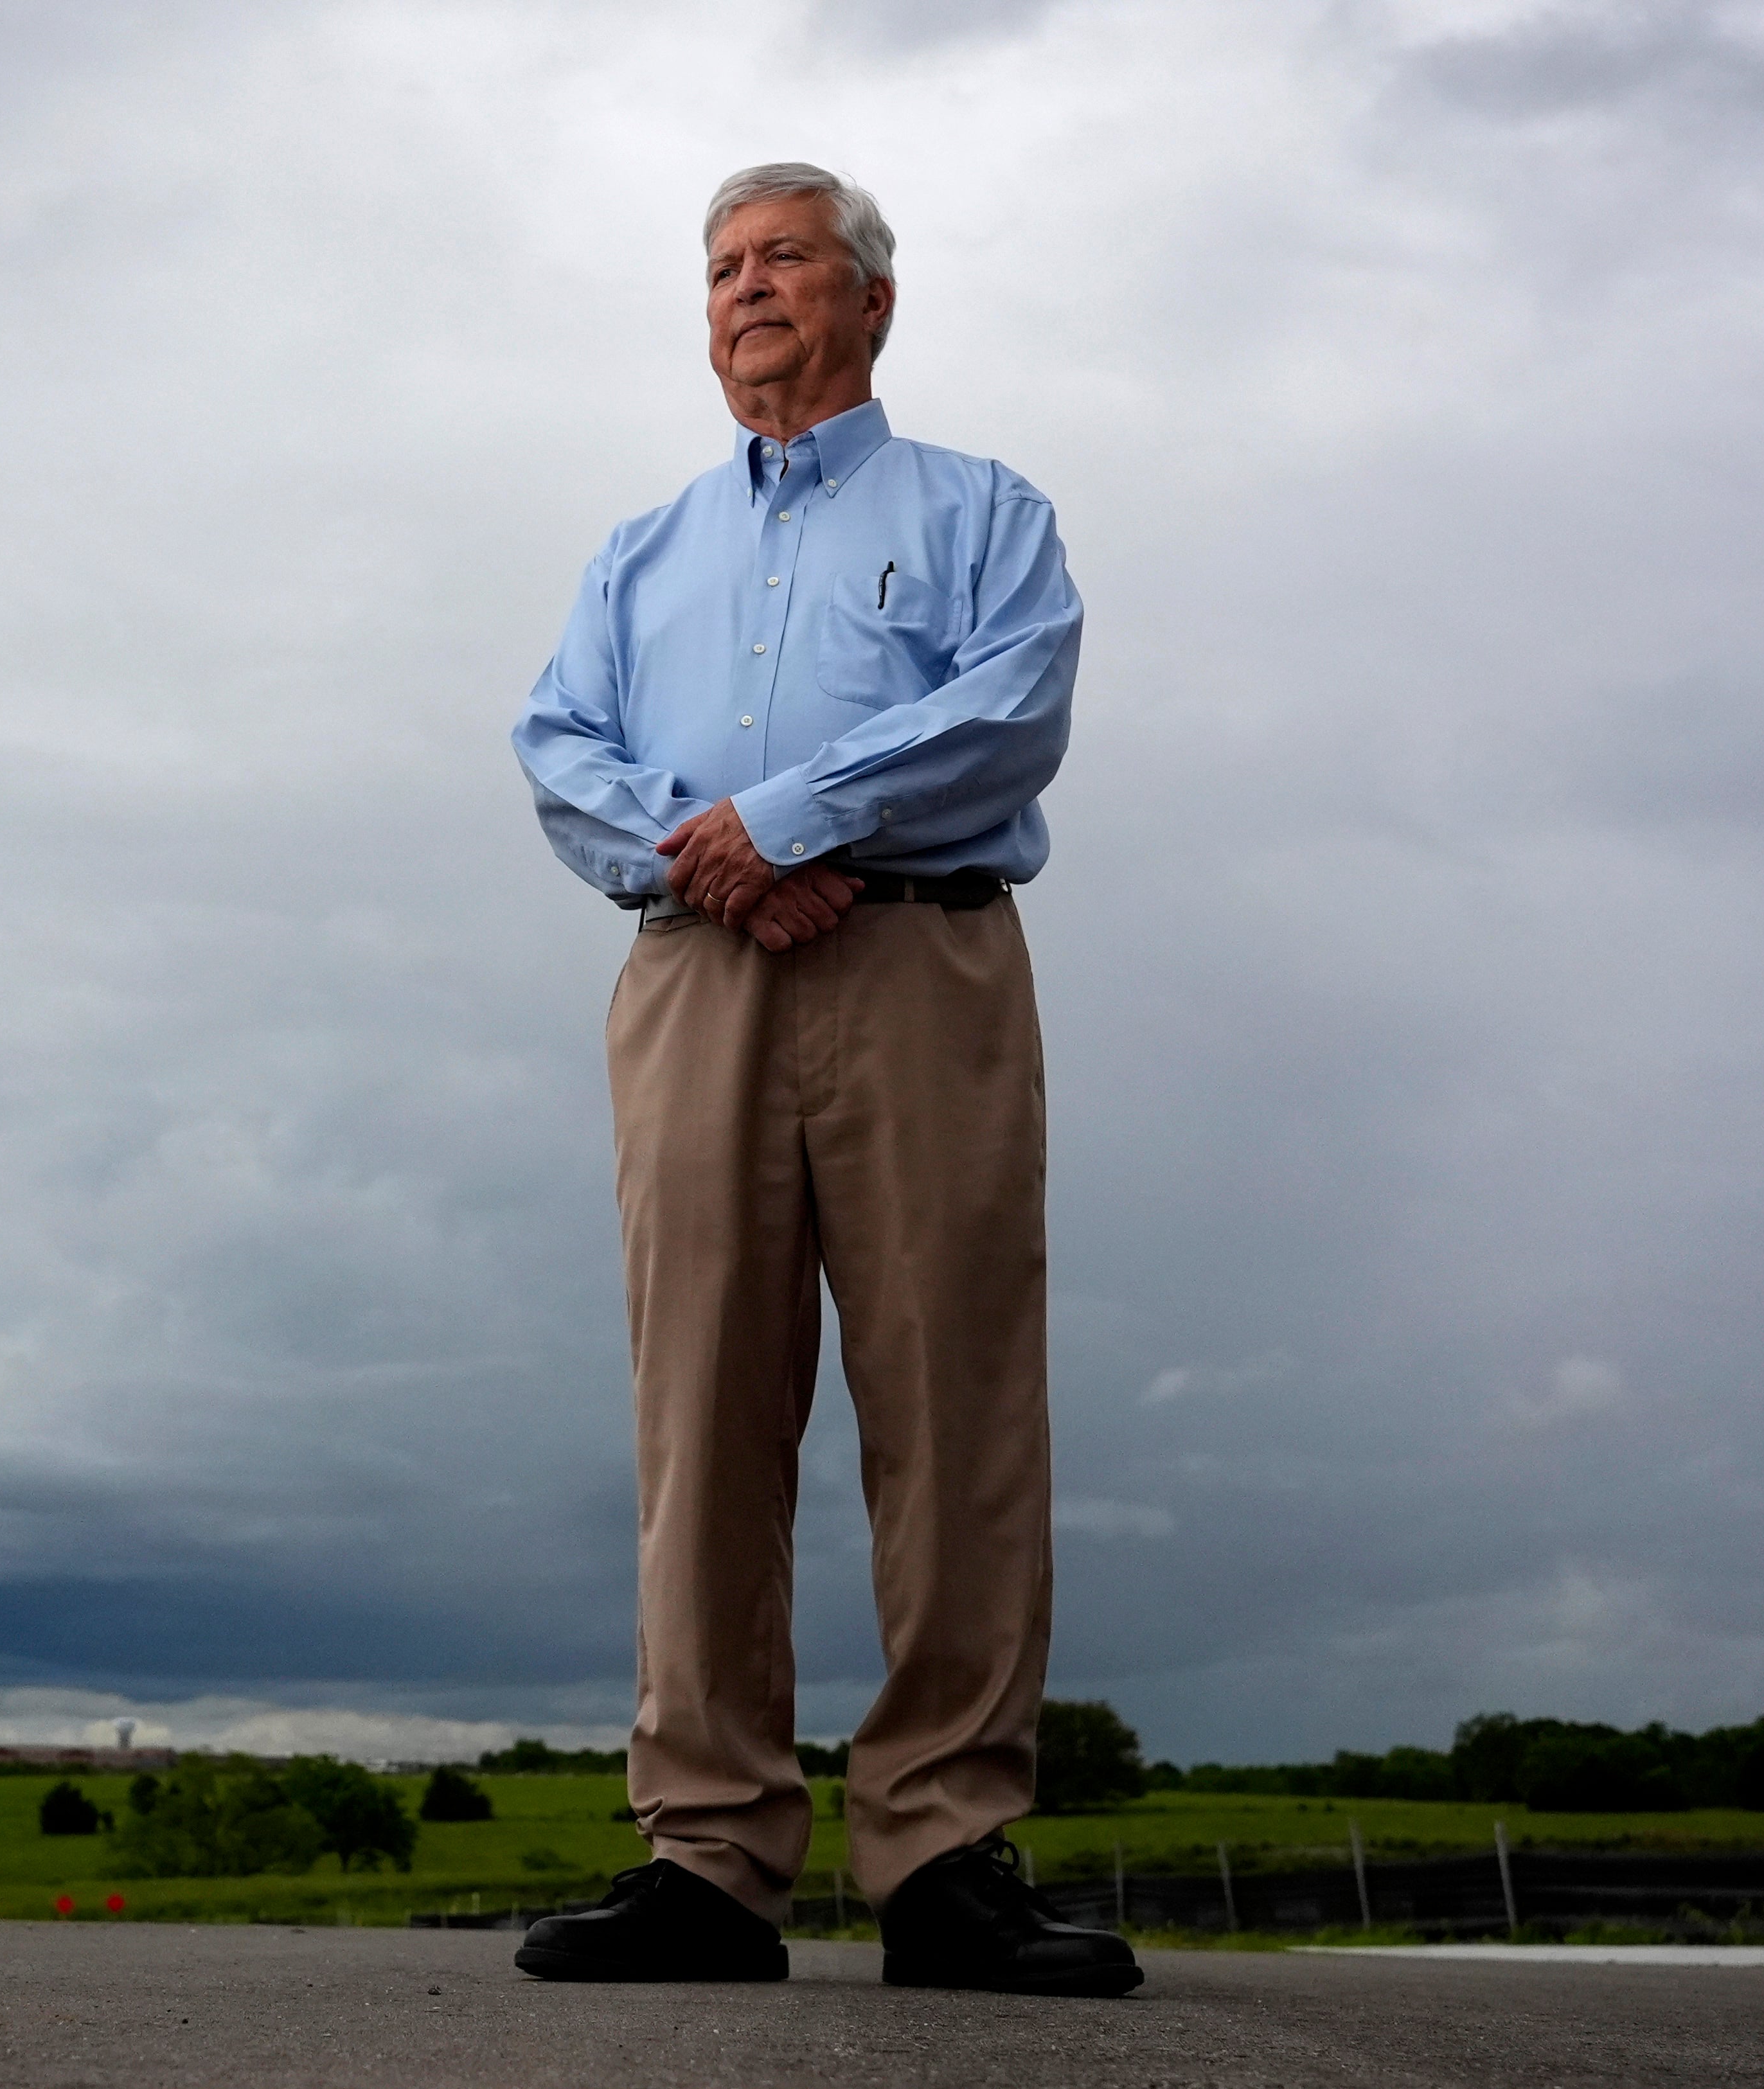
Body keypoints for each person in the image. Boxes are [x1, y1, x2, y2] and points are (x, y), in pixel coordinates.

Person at [507, 163, 1137, 1998]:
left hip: (923, 964)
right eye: (718, 268)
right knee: (702, 1398)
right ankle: (709, 1851)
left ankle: (944, 1844)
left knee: (952, 1390)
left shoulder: (981, 512)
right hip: (696, 979)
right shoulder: (639, 551)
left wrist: (783, 816)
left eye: (783, 258)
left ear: (870, 299)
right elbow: (560, 750)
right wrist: (714, 854)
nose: (744, 289)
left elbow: (1014, 703)